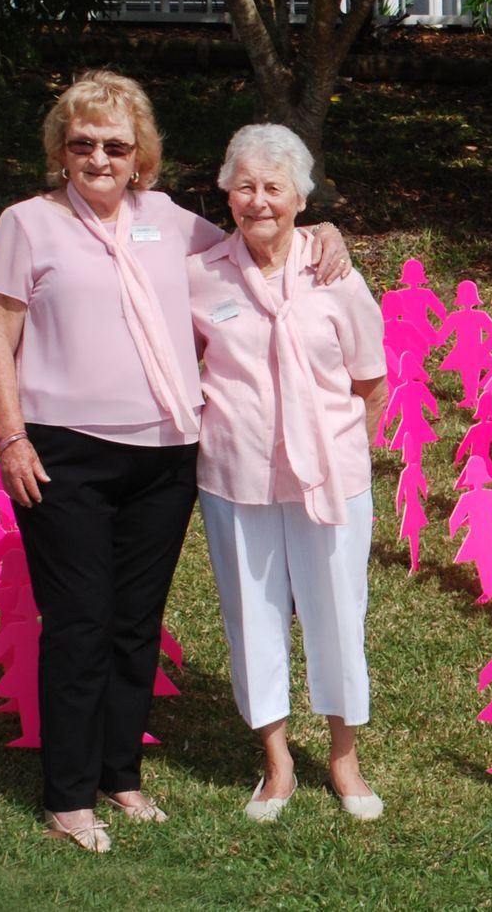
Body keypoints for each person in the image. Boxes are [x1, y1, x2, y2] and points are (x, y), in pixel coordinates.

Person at [0, 72, 347, 852]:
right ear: (61, 150)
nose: (100, 158)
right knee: (79, 621)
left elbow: (258, 247)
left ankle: (121, 775)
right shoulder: (27, 224)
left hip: (166, 454)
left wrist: (323, 236)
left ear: (140, 153)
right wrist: (11, 435)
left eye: (116, 144)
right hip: (63, 454)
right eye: (83, 144)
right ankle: (69, 795)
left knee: (135, 624)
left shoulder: (170, 222)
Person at [186, 124, 388, 823]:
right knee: (253, 611)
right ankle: (276, 762)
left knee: (337, 611)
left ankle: (343, 756)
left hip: (329, 474)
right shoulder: (201, 273)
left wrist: (341, 447)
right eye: (244, 185)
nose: (258, 200)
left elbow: (370, 378)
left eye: (274, 186)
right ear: (225, 192)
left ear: (301, 197)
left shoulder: (336, 272)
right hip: (236, 472)